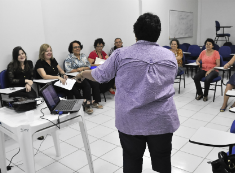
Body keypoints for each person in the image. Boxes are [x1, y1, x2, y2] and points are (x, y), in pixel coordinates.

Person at [75, 13, 179, 173]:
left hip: (131, 121)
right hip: (162, 120)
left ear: (135, 34)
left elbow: (100, 75)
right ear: (158, 34)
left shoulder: (121, 54)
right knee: (163, 162)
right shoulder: (170, 56)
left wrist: (82, 74)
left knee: (132, 161)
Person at [35, 44, 86, 108]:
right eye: (47, 51)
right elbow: (44, 76)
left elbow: (61, 70)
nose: (49, 52)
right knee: (69, 87)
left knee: (69, 88)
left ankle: (71, 107)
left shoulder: (53, 60)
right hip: (48, 85)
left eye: (50, 50)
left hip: (57, 83)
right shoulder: (39, 62)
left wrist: (64, 74)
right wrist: (58, 77)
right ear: (42, 52)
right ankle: (81, 100)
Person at [64, 40, 103, 114]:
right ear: (71, 49)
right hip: (75, 77)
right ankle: (86, 106)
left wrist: (82, 69)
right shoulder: (69, 57)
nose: (77, 48)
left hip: (84, 74)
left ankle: (95, 102)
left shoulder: (83, 56)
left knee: (95, 82)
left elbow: (88, 66)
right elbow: (68, 69)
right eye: (75, 47)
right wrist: (77, 70)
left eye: (78, 47)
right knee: (86, 85)